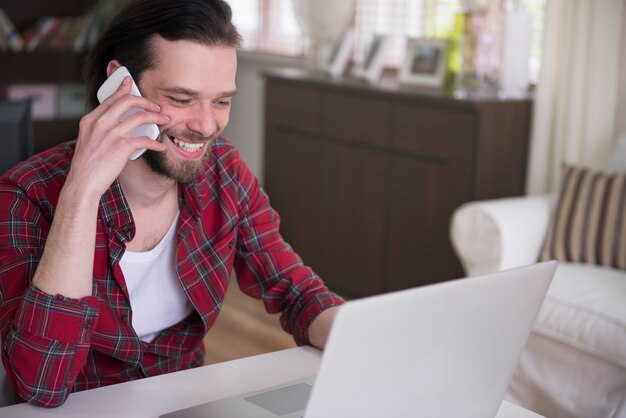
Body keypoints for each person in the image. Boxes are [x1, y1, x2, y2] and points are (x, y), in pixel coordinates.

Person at [0, 0, 343, 408]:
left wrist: (364, 339)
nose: (205, 125)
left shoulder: (224, 173)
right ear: (119, 84)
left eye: (221, 101)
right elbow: (41, 384)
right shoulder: (26, 195)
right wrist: (81, 194)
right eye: (181, 99)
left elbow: (296, 292)